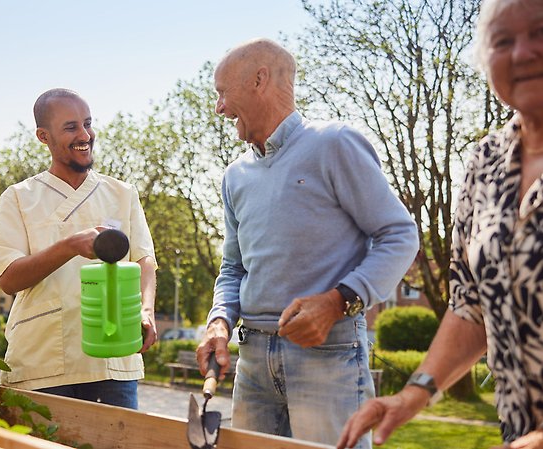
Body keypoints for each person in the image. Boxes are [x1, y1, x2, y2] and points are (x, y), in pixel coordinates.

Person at [337, 0, 543, 447]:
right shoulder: (485, 163)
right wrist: (414, 394)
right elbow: (472, 304)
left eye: (540, 32)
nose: (523, 53)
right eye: (503, 41)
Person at [195, 38, 419, 448]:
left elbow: (400, 234)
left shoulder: (334, 143)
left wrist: (338, 301)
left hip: (328, 356)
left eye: (223, 93)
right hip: (253, 361)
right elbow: (233, 268)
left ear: (260, 79)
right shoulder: (235, 176)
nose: (220, 108)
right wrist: (219, 322)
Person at [0, 88, 157, 410]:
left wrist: (145, 310)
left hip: (114, 358)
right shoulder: (18, 197)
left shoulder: (123, 193)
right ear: (44, 136)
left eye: (88, 124)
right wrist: (70, 245)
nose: (85, 135)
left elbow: (144, 260)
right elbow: (9, 279)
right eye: (71, 127)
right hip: (43, 361)